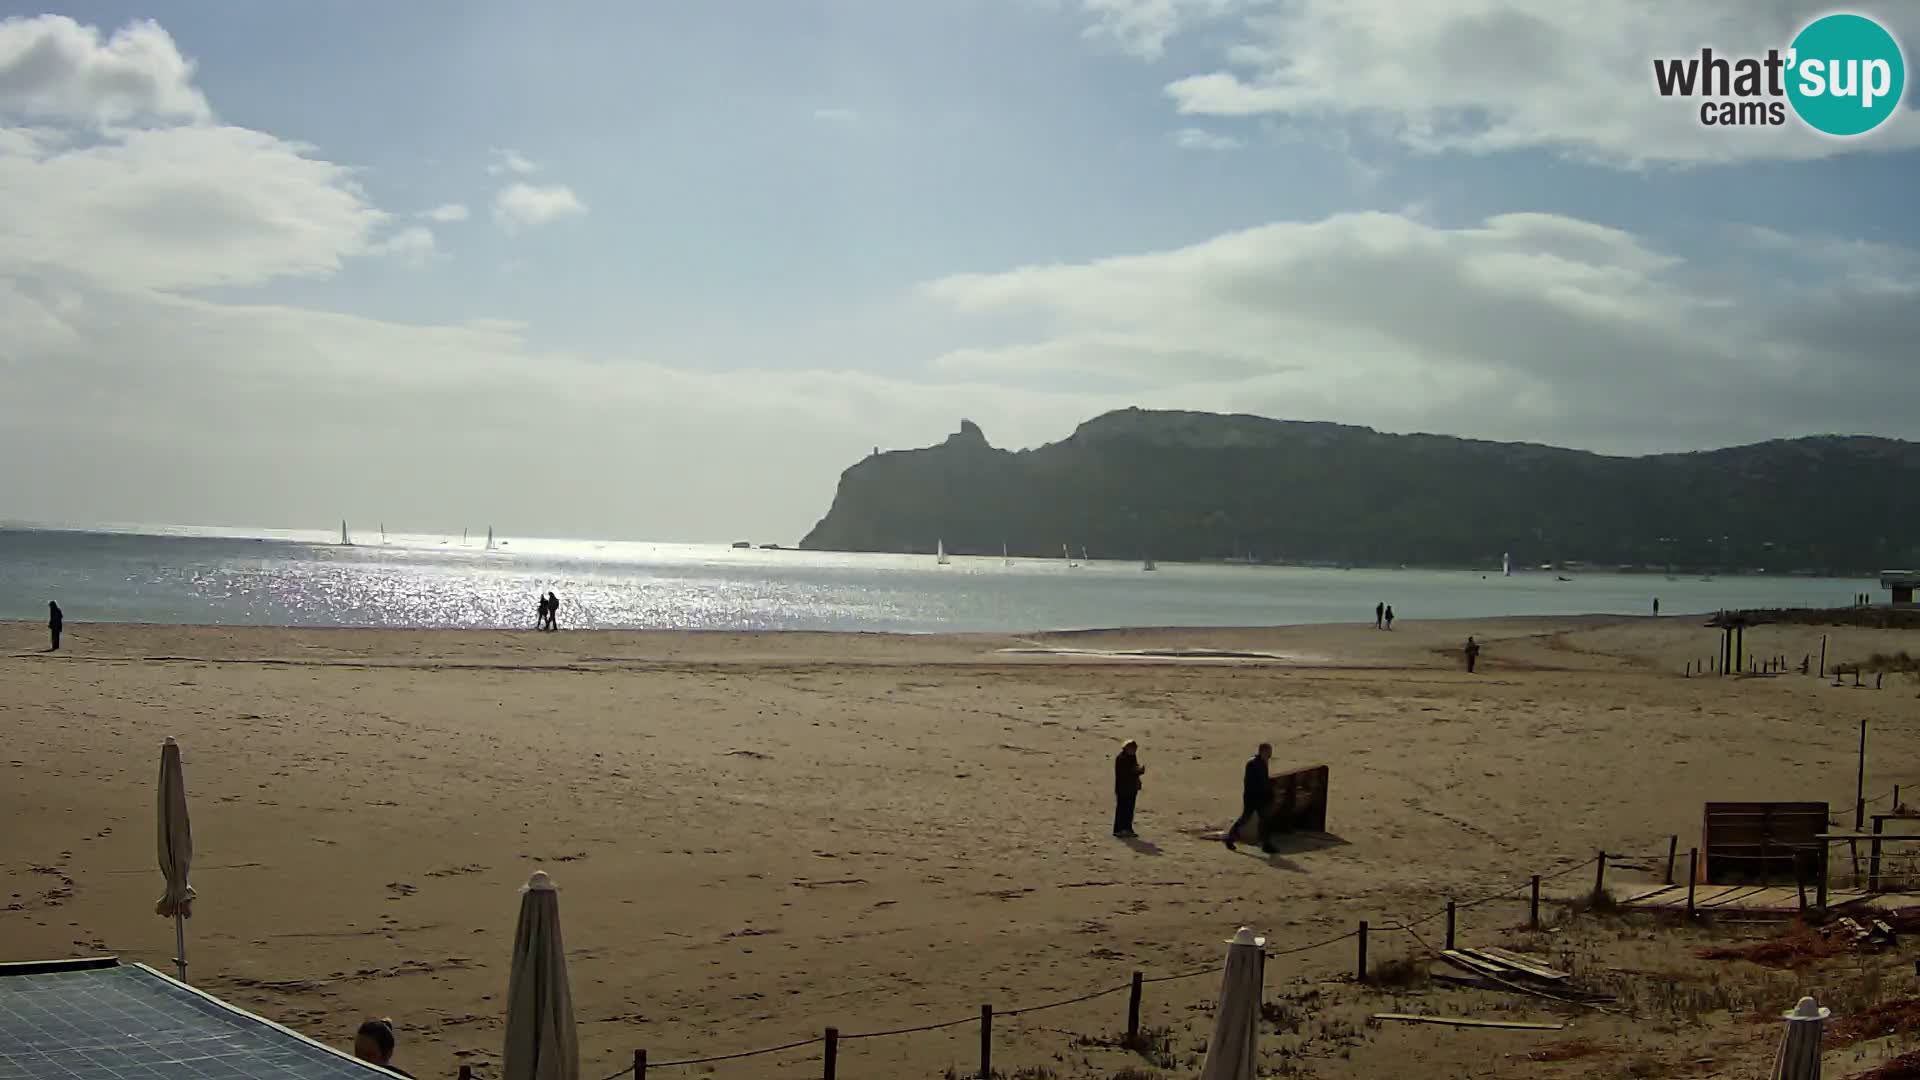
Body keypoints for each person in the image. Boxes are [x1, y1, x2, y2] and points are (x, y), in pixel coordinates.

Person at [1224, 743, 1278, 854]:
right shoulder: (1253, 763)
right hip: (1253, 797)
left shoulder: (1261, 762)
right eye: (1269, 751)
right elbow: (1254, 783)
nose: (1270, 754)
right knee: (1246, 819)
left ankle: (1266, 845)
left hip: (1258, 797)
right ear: (1263, 751)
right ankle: (1230, 838)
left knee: (1263, 820)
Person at [1113, 739, 1144, 838]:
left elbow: (1133, 770)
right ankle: (1119, 830)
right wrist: (1137, 771)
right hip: (1123, 788)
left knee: (1129, 810)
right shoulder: (1121, 758)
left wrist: (1138, 772)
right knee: (1122, 809)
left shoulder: (1131, 757)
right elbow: (1125, 773)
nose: (1134, 751)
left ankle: (1127, 829)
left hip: (1131, 788)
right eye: (1133, 749)